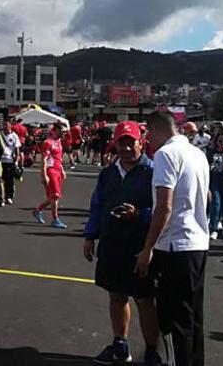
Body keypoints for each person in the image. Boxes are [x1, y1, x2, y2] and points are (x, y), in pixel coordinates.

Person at [83, 121, 162, 366]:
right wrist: (89, 235)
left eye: (131, 142)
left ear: (141, 142)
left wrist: (139, 214)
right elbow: (97, 206)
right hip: (112, 243)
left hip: (140, 245)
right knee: (116, 296)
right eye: (122, 142)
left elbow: (164, 210)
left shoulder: (154, 172)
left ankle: (151, 351)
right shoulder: (108, 173)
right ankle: (120, 344)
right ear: (115, 144)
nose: (126, 148)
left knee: (144, 299)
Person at [135, 111, 209, 366]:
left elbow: (164, 206)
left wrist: (147, 248)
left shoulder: (166, 155)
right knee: (192, 318)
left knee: (173, 321)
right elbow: (207, 196)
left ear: (155, 130)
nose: (148, 140)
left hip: (175, 246)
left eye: (148, 134)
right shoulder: (197, 154)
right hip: (197, 243)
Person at [32, 125, 68, 228]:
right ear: (56, 130)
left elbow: (58, 157)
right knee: (55, 196)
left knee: (52, 196)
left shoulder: (59, 141)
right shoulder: (48, 143)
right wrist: (44, 175)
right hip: (50, 171)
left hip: (57, 171)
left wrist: (62, 170)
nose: (65, 133)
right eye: (63, 131)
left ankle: (37, 210)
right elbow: (44, 159)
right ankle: (55, 219)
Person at [0, 121, 22, 205]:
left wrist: (16, 161)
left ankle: (9, 196)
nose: (5, 127)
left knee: (9, 180)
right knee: (0, 179)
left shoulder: (14, 136)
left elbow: (17, 150)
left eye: (7, 125)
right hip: (1, 160)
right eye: (4, 125)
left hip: (10, 161)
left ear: (10, 126)